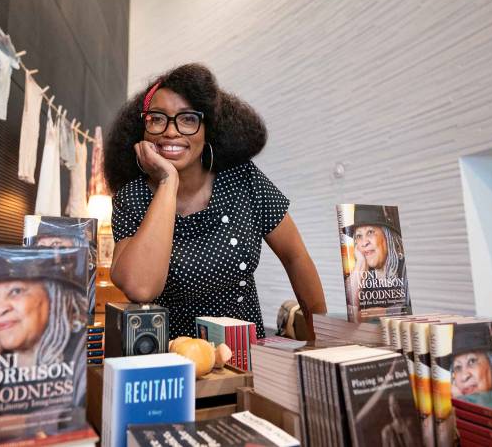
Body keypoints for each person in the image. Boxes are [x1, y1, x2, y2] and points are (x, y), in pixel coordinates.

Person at [104, 63, 326, 339]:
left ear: (207, 129)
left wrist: (321, 339)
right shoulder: (133, 197)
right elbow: (140, 287)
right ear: (143, 129)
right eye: (157, 118)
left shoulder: (243, 179)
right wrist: (167, 181)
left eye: (188, 119)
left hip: (248, 353)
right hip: (175, 356)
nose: (170, 131)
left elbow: (296, 257)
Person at [0, 248, 86, 439]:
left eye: (16, 291)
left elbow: (77, 419)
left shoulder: (81, 348)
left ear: (52, 296)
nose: (0, 309)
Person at [342, 205, 406, 312]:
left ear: (387, 236)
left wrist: (376, 314)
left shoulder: (405, 269)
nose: (364, 243)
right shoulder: (362, 275)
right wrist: (360, 264)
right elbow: (350, 312)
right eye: (359, 236)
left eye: (370, 232)